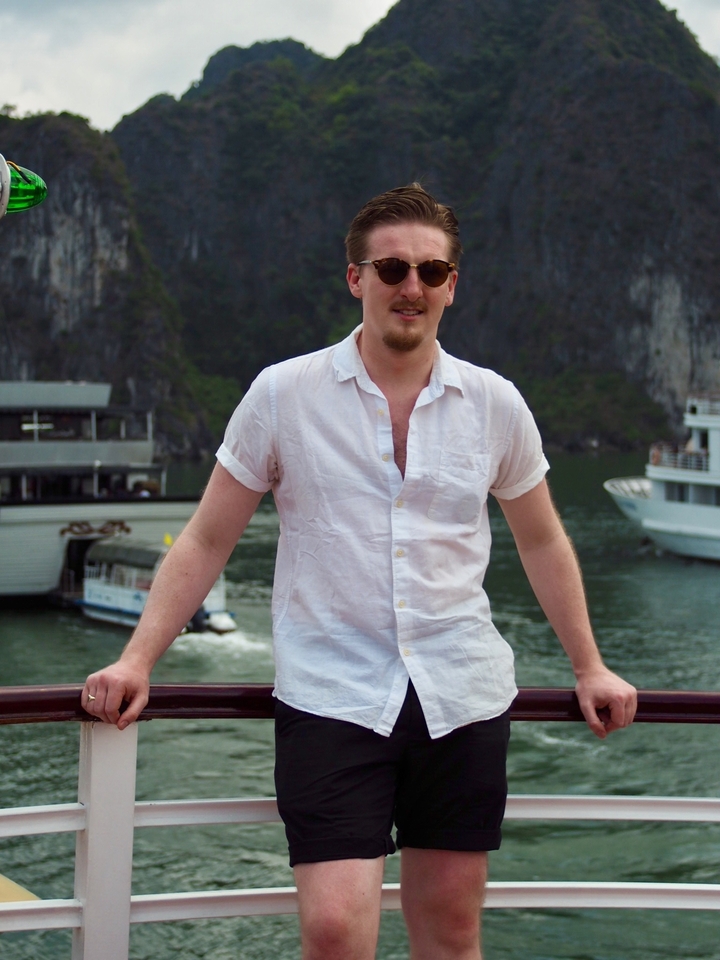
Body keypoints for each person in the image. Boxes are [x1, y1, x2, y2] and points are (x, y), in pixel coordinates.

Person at [83, 184, 637, 960]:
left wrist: (591, 665)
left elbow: (542, 540)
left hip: (461, 692)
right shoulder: (284, 394)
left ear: (452, 284)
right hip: (331, 695)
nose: (412, 285)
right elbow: (208, 538)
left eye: (431, 270)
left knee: (450, 931)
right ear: (356, 278)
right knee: (336, 930)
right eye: (392, 268)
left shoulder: (495, 403)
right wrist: (138, 657)